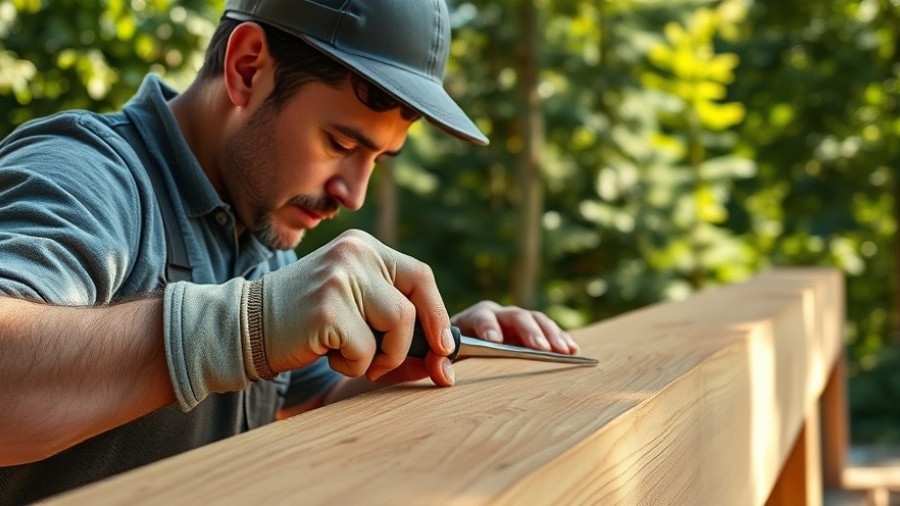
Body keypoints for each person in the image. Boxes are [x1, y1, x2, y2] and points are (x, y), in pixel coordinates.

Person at [0, 0, 582, 502]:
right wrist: (248, 327)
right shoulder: (87, 176)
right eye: (341, 142)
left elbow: (300, 402)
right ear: (248, 68)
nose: (352, 194)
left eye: (377, 159)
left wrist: (421, 352)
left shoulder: (259, 226)